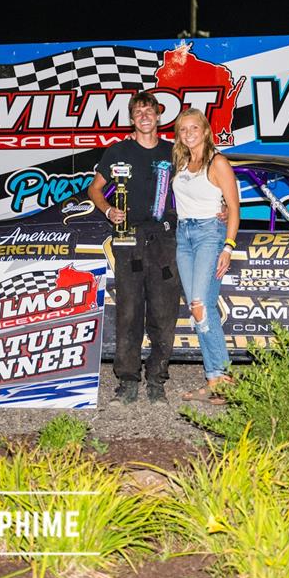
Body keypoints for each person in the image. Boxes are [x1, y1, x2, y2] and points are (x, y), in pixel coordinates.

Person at [88, 92, 179, 406]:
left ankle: (157, 380)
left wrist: (220, 206)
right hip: (128, 240)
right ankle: (127, 382)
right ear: (132, 118)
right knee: (128, 313)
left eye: (149, 111)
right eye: (138, 111)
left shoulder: (174, 152)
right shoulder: (117, 151)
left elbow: (198, 183)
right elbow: (95, 189)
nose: (144, 116)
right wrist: (108, 210)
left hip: (165, 240)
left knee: (164, 313)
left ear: (158, 117)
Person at [171, 108, 240, 405]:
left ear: (205, 130)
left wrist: (228, 246)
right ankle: (216, 381)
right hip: (182, 236)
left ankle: (223, 378)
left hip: (209, 235)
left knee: (200, 306)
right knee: (201, 309)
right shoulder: (182, 160)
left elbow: (235, 209)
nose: (188, 134)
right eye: (183, 129)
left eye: (193, 128)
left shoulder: (218, 162)